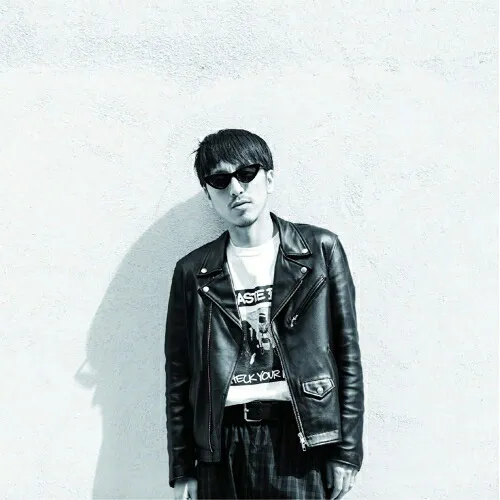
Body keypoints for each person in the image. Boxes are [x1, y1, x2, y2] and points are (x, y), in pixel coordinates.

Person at [165, 129, 364, 499]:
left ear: (269, 178)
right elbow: (179, 375)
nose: (236, 189)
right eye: (220, 181)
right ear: (208, 194)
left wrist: (346, 452)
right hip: (220, 447)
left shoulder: (320, 251)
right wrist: (182, 468)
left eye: (246, 174)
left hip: (300, 439)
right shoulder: (192, 272)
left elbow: (347, 354)